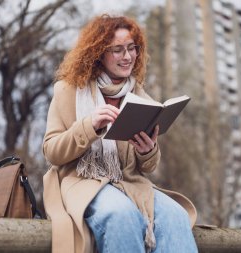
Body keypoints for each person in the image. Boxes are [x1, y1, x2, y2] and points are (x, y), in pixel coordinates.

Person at [42, 14, 198, 253]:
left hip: (131, 184)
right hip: (83, 183)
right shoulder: (68, 91)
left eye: (131, 48)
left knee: (176, 216)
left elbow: (147, 168)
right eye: (117, 50)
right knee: (121, 214)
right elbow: (51, 152)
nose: (127, 57)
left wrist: (148, 151)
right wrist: (89, 126)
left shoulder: (140, 96)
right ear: (98, 53)